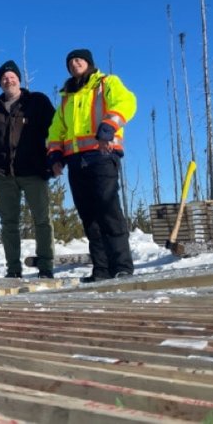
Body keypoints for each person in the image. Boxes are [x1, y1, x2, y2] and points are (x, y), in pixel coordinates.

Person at [47, 49, 137, 282]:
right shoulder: (67, 96)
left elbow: (127, 101)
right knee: (89, 217)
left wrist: (109, 126)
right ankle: (101, 269)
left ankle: (122, 266)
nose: (74, 64)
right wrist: (55, 155)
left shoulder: (106, 83)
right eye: (70, 62)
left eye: (79, 60)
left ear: (89, 63)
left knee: (108, 211)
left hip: (102, 154)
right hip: (76, 161)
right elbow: (57, 128)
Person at [0, 60, 56, 279]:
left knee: (42, 219)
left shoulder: (37, 102)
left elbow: (55, 130)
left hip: (33, 170)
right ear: (0, 83)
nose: (8, 80)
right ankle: (13, 269)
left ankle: (46, 266)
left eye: (12, 76)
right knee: (9, 223)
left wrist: (54, 160)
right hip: (1, 173)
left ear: (19, 80)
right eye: (4, 78)